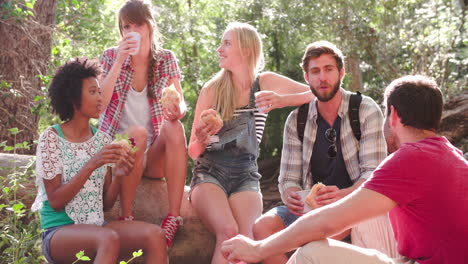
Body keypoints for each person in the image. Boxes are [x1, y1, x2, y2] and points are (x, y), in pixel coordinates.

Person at [221, 75, 468, 264]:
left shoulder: (410, 158)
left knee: (311, 253)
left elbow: (328, 221)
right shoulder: (454, 158)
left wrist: (258, 249)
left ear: (392, 115)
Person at [252, 40, 394, 264]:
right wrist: (291, 194)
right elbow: (288, 178)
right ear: (307, 78)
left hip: (355, 206)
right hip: (311, 209)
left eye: (328, 69)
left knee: (315, 237)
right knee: (262, 228)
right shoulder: (296, 119)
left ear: (341, 73)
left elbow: (373, 174)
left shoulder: (365, 109)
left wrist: (344, 194)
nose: (322, 78)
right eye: (315, 71)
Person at [188, 22, 314, 264]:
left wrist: (281, 100)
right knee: (228, 232)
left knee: (247, 240)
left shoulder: (264, 82)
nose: (219, 49)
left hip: (246, 176)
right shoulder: (212, 90)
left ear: (246, 50)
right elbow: (193, 151)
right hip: (209, 175)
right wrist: (202, 139)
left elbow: (316, 93)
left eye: (226, 43)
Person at [31, 58, 167, 264]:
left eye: (99, 92)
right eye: (92, 92)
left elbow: (105, 204)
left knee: (155, 236)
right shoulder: (51, 138)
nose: (100, 98)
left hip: (97, 227)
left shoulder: (102, 140)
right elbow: (56, 201)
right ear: (73, 98)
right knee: (108, 238)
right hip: (58, 231)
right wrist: (93, 163)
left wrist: (120, 176)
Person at [99, 0, 186, 247]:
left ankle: (173, 217)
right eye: (126, 26)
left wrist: (176, 110)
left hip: (153, 155)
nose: (132, 31)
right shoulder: (109, 57)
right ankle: (126, 215)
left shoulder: (166, 59)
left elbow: (180, 102)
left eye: (137, 24)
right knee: (137, 132)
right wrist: (118, 61)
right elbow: (99, 106)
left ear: (149, 26)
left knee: (175, 127)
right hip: (117, 152)